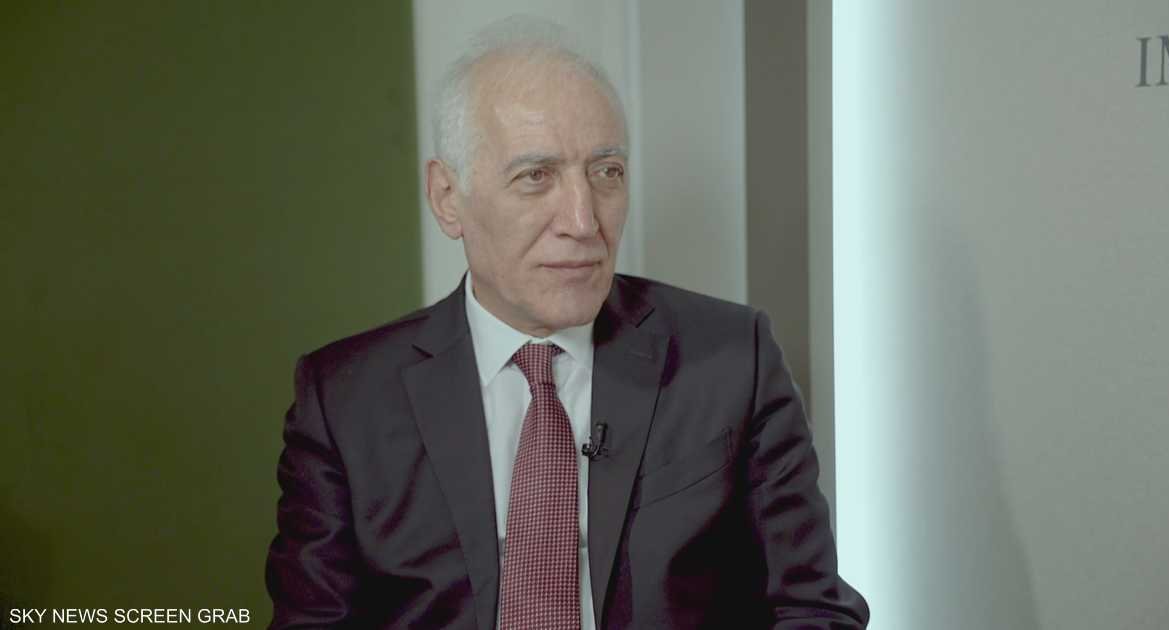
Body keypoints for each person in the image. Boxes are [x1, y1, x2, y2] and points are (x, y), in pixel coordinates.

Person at [265, 17, 868, 630]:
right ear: (448, 197)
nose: (583, 222)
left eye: (606, 173)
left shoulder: (734, 361)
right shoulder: (346, 402)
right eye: (536, 176)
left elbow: (813, 609)